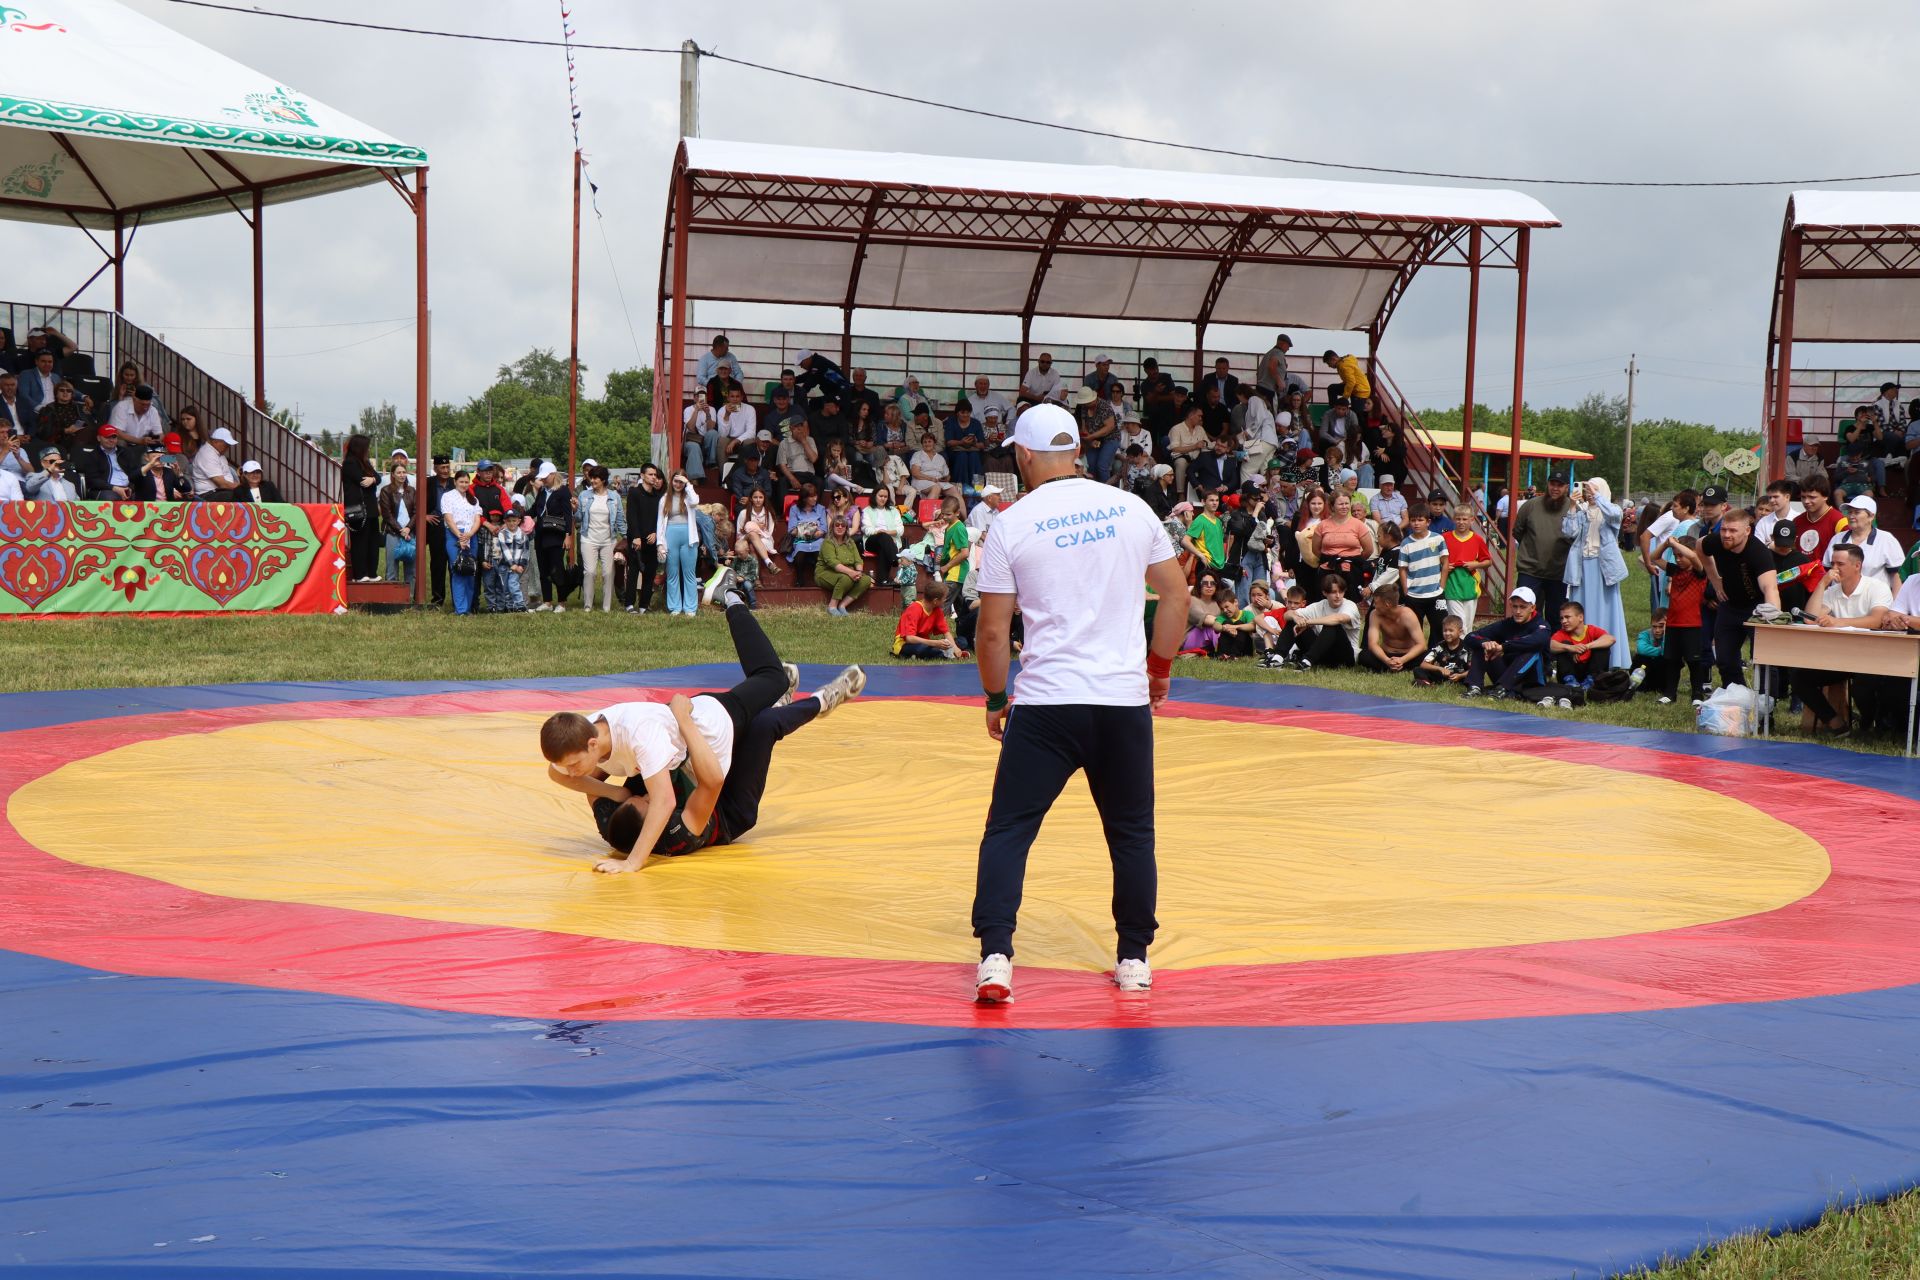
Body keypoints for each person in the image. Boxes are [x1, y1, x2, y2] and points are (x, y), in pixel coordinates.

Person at [969, 402, 1187, 1005]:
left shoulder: (1011, 524)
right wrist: (1159, 670)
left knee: (1010, 829)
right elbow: (1175, 595)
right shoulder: (1132, 507)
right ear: (1078, 452)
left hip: (1046, 703)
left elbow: (992, 632)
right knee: (1131, 832)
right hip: (1120, 700)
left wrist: (994, 696)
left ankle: (995, 956)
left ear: (1025, 455)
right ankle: (1134, 959)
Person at [544, 588, 858, 868]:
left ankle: (776, 692)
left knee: (767, 690)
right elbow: (710, 783)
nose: (640, 794)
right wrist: (633, 864)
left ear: (591, 742)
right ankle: (822, 700)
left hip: (697, 733)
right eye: (642, 801)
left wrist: (617, 791)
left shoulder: (615, 810)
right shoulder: (676, 833)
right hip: (724, 801)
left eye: (635, 799)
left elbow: (567, 777)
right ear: (655, 826)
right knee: (765, 723)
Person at [1794, 544, 1894, 734]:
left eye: (1841, 564)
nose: (1835, 568)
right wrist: (1822, 585)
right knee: (1799, 676)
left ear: (1857, 566)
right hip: (1838, 658)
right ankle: (1834, 722)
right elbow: (1809, 618)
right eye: (1832, 563)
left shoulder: (1876, 587)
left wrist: (1837, 621)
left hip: (1871, 657)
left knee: (1863, 687)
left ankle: (1869, 724)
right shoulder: (1832, 591)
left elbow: (1877, 620)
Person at [1703, 507, 1781, 690]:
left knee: (1764, 661)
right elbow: (1700, 547)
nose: (1726, 535)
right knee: (1724, 659)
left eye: (1732, 531)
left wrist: (1772, 617)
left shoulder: (1759, 553)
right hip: (1729, 606)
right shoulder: (1715, 542)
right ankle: (1736, 697)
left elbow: (1770, 587)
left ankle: (1765, 707)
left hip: (1757, 609)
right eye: (1723, 529)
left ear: (1747, 531)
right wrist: (1714, 579)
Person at [1559, 477, 1629, 669]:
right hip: (1581, 567)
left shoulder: (1611, 510)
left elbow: (1615, 516)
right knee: (1582, 609)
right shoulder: (1582, 511)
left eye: (1593, 489)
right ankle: (1580, 654)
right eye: (1588, 489)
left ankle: (1610, 658)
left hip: (1603, 568)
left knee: (1607, 609)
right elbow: (1569, 532)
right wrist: (1573, 506)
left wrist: (1597, 495)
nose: (1589, 493)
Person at [1462, 586, 1554, 698]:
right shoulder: (1506, 624)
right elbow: (1470, 636)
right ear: (1510, 605)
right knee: (1484, 645)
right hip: (1506, 675)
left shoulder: (1541, 625)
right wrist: (1485, 643)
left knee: (1532, 650)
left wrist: (1503, 647)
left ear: (1532, 607)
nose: (1518, 611)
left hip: (1532, 679)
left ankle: (1502, 689)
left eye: (1522, 607)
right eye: (1515, 606)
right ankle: (1474, 687)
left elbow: (1538, 641)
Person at [1512, 470, 1573, 620]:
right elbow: (1518, 531)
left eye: (1560, 485)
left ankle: (1553, 643)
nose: (1555, 488)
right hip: (1530, 570)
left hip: (1559, 571)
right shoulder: (1530, 506)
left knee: (1557, 616)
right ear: (1547, 484)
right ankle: (1527, 643)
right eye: (1552, 484)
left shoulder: (1573, 509)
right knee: (1527, 614)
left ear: (1566, 487)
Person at [1274, 573, 1362, 670]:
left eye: (1341, 592)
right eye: (1333, 592)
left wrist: (1308, 622)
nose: (1338, 596)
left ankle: (1307, 662)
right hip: (1322, 653)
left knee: (1332, 625)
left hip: (1345, 656)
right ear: (1325, 593)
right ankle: (1276, 659)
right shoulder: (1318, 606)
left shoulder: (1350, 605)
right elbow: (1287, 615)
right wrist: (1296, 619)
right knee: (1294, 621)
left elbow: (1339, 618)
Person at [1824, 494, 1903, 593]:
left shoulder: (1886, 539)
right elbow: (1826, 572)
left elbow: (1897, 575)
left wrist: (1895, 605)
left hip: (1875, 602)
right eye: (1849, 512)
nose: (1851, 516)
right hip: (1838, 600)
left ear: (1871, 516)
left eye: (1857, 512)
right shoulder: (1837, 538)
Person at [573, 464, 624, 612]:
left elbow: (620, 519)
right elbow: (579, 518)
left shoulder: (614, 497)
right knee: (590, 572)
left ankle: (606, 607)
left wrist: (627, 537)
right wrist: (575, 509)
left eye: (595, 478)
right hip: (588, 539)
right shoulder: (584, 496)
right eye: (591, 477)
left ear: (603, 480)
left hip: (609, 540)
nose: (592, 480)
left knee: (608, 573)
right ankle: (588, 606)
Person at [655, 470, 702, 617]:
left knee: (689, 574)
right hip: (670, 536)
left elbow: (696, 501)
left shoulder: (689, 496)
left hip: (689, 538)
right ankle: (675, 607)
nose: (678, 484)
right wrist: (660, 543)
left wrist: (688, 485)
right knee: (672, 573)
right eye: (676, 481)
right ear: (671, 481)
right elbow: (660, 523)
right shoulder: (664, 499)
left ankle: (690, 608)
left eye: (681, 481)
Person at [1398, 506, 1447, 640]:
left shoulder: (1438, 539)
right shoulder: (1405, 543)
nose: (1416, 523)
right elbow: (1402, 568)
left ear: (1428, 522)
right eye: (1413, 520)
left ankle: (1435, 656)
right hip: (1414, 594)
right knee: (1413, 630)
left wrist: (1442, 586)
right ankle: (1417, 658)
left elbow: (1445, 563)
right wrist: (1405, 590)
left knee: (1439, 627)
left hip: (1436, 592)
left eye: (1420, 520)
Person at [1440, 504, 1491, 633]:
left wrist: (1476, 564)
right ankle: (1458, 650)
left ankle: (1465, 651)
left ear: (1471, 520)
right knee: (1459, 623)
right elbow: (1436, 558)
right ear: (1453, 519)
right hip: (1451, 585)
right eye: (1458, 519)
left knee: (1467, 626)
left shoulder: (1477, 539)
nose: (1461, 522)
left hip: (1470, 585)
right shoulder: (1445, 538)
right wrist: (1444, 566)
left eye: (1464, 519)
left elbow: (1488, 561)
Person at [440, 470, 483, 615]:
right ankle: (460, 609)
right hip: (454, 534)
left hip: (472, 535)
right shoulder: (448, 497)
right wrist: (460, 536)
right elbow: (448, 517)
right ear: (455, 482)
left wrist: (469, 534)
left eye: (466, 482)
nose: (464, 485)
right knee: (458, 569)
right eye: (461, 482)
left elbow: (477, 519)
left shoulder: (473, 499)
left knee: (470, 570)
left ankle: (469, 607)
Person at [1549, 599, 1614, 691]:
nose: (1563, 621)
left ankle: (1591, 681)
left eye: (1567, 617)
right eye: (1561, 618)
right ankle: (1570, 682)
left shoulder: (1591, 630)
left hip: (1590, 671)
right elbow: (1550, 645)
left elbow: (1610, 639)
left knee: (1602, 647)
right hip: (1571, 671)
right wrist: (1570, 648)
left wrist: (1587, 646)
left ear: (1580, 617)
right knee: (1563, 645)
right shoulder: (1561, 633)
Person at [1359, 583, 1425, 674]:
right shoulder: (1374, 614)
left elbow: (1421, 645)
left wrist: (1402, 660)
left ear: (1387, 604)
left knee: (1427, 656)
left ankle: (1394, 667)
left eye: (1376, 602)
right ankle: (1395, 667)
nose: (1374, 605)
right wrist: (1387, 660)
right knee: (1363, 656)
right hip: (1385, 655)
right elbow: (1372, 644)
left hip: (1408, 656)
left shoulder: (1408, 615)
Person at [815, 511, 872, 615]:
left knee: (866, 580)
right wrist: (851, 573)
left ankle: (842, 605)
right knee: (846, 577)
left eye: (843, 525)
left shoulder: (850, 542)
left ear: (846, 528)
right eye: (837, 525)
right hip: (825, 573)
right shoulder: (827, 542)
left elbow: (858, 560)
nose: (840, 527)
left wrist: (858, 573)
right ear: (832, 527)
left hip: (847, 573)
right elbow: (833, 563)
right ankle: (832, 606)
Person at [893, 580, 960, 658]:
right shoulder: (914, 609)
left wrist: (955, 647)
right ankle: (940, 653)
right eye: (944, 598)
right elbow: (909, 638)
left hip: (925, 643)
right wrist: (934, 643)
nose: (945, 600)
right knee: (922, 649)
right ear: (935, 601)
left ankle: (941, 652)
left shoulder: (937, 610)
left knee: (962, 642)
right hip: (905, 644)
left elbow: (946, 632)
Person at [376, 461, 414, 585]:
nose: (402, 475)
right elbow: (387, 515)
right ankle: (392, 600)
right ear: (393, 474)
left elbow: (416, 512)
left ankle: (410, 598)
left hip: (410, 533)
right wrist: (401, 530)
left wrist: (408, 528)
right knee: (391, 568)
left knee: (411, 568)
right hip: (392, 532)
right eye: (399, 472)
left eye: (404, 472)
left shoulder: (412, 491)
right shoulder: (386, 491)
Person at [1414, 613, 1472, 689]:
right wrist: (1440, 669)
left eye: (1451, 630)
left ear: (1460, 632)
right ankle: (1428, 685)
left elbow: (1473, 669)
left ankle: (1423, 682)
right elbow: (1424, 664)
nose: (1447, 633)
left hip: (1460, 676)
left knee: (1474, 676)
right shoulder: (1439, 646)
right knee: (1418, 670)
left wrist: (1460, 675)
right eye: (1445, 630)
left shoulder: (1467, 647)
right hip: (1442, 675)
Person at [785, 480, 828, 584]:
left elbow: (823, 529)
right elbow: (792, 530)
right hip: (800, 540)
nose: (815, 498)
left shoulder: (821, 509)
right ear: (804, 498)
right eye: (811, 496)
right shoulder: (794, 509)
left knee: (819, 549)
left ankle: (819, 579)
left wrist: (803, 529)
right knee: (800, 549)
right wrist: (813, 528)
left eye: (815, 495)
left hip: (817, 539)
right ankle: (799, 579)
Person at [193, 426, 241, 500]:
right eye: (226, 444)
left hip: (221, 492)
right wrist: (242, 488)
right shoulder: (207, 453)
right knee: (238, 496)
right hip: (209, 494)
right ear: (215, 442)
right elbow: (222, 484)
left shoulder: (219, 454)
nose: (228, 447)